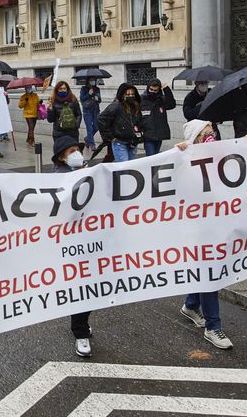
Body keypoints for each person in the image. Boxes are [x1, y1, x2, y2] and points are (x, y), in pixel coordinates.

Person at [175, 120, 247, 349]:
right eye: (205, 133)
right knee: (209, 273)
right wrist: (177, 155)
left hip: (219, 223)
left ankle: (191, 304)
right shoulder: (185, 159)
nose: (211, 136)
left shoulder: (222, 155)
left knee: (207, 271)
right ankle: (213, 326)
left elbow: (244, 160)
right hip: (197, 227)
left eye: (212, 132)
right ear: (195, 139)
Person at [50, 135, 96, 356]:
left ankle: (82, 325)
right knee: (82, 287)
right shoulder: (58, 180)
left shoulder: (88, 172)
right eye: (71, 152)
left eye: (77, 149)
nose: (77, 154)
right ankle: (81, 334)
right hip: (71, 242)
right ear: (61, 157)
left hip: (90, 238)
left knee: (89, 287)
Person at [98, 83, 144, 162]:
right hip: (120, 142)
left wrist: (140, 133)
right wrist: (110, 136)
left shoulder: (136, 106)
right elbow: (101, 119)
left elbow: (140, 121)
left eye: (132, 94)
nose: (131, 96)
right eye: (128, 94)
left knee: (132, 166)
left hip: (133, 141)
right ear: (122, 95)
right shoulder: (116, 106)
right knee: (123, 168)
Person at [140, 78, 176, 156]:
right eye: (151, 89)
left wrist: (166, 90)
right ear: (148, 88)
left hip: (159, 134)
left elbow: (172, 104)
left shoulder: (161, 99)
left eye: (155, 90)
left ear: (159, 90)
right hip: (148, 134)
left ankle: (153, 169)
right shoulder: (142, 99)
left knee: (156, 157)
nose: (152, 92)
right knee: (151, 157)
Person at [79, 79, 102, 151]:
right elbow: (82, 99)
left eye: (93, 80)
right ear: (87, 81)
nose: (93, 81)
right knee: (89, 128)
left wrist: (97, 98)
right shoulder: (83, 88)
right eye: (91, 80)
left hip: (96, 110)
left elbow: (100, 100)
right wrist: (89, 94)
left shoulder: (97, 89)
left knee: (96, 127)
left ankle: (87, 138)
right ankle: (92, 144)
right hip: (87, 110)